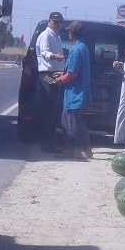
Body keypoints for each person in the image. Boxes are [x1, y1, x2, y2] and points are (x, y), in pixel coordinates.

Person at [52, 21, 93, 160]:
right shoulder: (83, 48)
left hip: (75, 94)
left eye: (69, 32)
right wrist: (61, 74)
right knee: (76, 122)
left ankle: (73, 150)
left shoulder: (76, 50)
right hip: (78, 93)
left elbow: (73, 73)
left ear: (72, 34)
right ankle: (83, 149)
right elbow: (72, 70)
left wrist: (60, 80)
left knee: (70, 123)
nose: (68, 34)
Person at [35, 11, 66, 151]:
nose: (58, 24)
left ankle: (49, 143)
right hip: (47, 75)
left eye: (60, 22)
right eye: (55, 22)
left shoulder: (56, 36)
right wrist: (55, 56)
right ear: (49, 22)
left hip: (55, 74)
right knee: (47, 109)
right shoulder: (46, 35)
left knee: (53, 110)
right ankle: (46, 144)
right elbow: (44, 52)